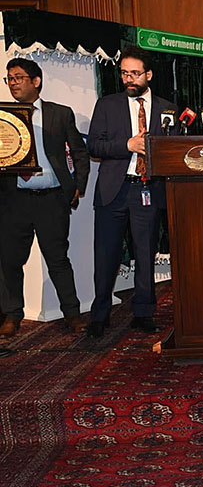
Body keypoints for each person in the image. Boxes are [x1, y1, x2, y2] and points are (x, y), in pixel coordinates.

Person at [86, 46, 178, 338]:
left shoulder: (168, 109)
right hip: (114, 191)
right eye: (124, 72)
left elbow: (173, 149)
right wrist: (127, 145)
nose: (129, 78)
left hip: (147, 190)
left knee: (145, 253)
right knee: (106, 256)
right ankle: (99, 315)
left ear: (148, 75)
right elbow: (94, 147)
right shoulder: (107, 105)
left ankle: (143, 312)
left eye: (135, 73)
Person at [0, 58, 90, 338]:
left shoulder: (60, 114)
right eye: (9, 79)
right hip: (14, 200)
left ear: (36, 81)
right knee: (10, 261)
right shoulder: (3, 117)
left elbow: (80, 152)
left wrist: (78, 185)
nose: (13, 83)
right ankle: (12, 315)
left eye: (18, 77)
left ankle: (72, 314)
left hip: (52, 199)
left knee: (58, 259)